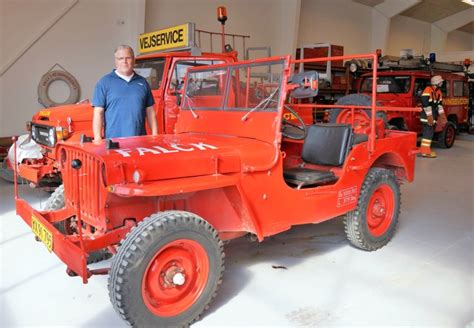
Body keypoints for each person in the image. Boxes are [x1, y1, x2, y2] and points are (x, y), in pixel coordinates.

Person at [92, 45, 158, 141]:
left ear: (134, 60)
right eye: (120, 58)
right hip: (113, 143)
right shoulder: (104, 82)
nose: (124, 61)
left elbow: (150, 112)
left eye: (128, 58)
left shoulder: (143, 82)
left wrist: (155, 135)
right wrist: (97, 138)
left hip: (139, 142)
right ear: (115, 61)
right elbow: (98, 112)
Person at [419, 75, 446, 158]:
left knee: (429, 133)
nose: (442, 83)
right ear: (437, 83)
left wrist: (442, 116)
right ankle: (425, 152)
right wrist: (429, 116)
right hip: (426, 115)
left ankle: (426, 150)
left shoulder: (438, 92)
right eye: (440, 82)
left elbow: (439, 105)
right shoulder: (428, 90)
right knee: (428, 133)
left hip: (432, 115)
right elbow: (425, 104)